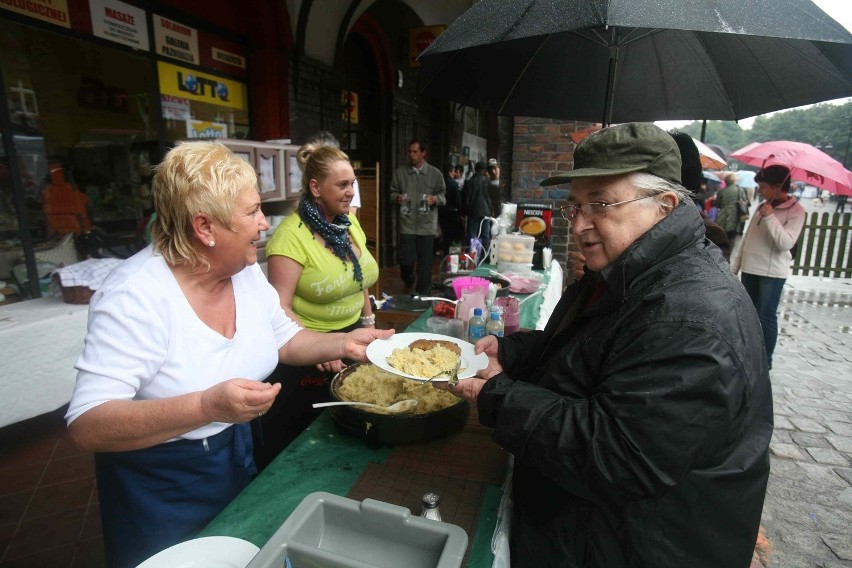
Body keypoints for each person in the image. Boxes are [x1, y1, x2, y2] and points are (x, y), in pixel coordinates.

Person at [438, 123, 772, 567]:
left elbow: (619, 456)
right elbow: (587, 356)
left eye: (601, 204)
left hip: (639, 545)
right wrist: (516, 354)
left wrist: (498, 396)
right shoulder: (625, 270)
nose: (580, 224)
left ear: (665, 206)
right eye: (576, 205)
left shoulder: (690, 317)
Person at [64, 141, 392, 568]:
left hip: (237, 450)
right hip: (163, 480)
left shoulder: (244, 272)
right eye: (253, 212)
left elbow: (286, 339)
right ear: (205, 228)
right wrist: (205, 406)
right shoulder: (135, 296)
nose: (263, 225)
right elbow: (88, 424)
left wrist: (345, 344)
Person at [262, 140, 379, 466]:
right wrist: (323, 345)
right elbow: (279, 307)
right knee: (311, 440)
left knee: (353, 423)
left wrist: (368, 324)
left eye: (352, 183)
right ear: (315, 187)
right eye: (342, 184)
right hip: (306, 352)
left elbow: (362, 281)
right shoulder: (290, 237)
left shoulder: (348, 223)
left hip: (352, 340)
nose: (351, 192)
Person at [731, 164, 806, 370]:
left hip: (771, 274)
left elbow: (785, 243)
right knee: (748, 316)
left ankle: (766, 361)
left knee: (765, 316)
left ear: (777, 186)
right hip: (750, 268)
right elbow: (749, 239)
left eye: (763, 187)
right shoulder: (762, 205)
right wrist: (736, 266)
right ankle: (747, 355)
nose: (760, 191)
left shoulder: (796, 211)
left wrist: (771, 217)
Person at [389, 139, 445, 294]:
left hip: (427, 226)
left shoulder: (435, 174)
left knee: (425, 265)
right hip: (407, 225)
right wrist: (397, 198)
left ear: (423, 153)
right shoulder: (400, 173)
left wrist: (435, 199)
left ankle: (422, 294)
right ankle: (409, 278)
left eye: (415, 151)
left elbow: (443, 196)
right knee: (406, 262)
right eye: (410, 151)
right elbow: (392, 193)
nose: (411, 155)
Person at [715, 172, 749, 249]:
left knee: (721, 235)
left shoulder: (722, 191)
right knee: (732, 237)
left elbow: (717, 204)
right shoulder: (740, 190)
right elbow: (745, 202)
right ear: (734, 181)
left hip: (722, 216)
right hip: (735, 216)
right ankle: (728, 254)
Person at [465, 160, 492, 255]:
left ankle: (475, 256)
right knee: (485, 235)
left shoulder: (470, 181)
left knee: (473, 235)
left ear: (476, 170)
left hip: (473, 212)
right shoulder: (488, 181)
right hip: (486, 212)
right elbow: (490, 197)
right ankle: (484, 257)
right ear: (484, 170)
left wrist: (467, 211)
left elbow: (467, 198)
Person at [439, 164, 466, 254]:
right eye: (453, 171)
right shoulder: (454, 184)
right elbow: (458, 201)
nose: (454, 174)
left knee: (445, 234)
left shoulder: (440, 183)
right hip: (452, 213)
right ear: (450, 172)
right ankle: (453, 253)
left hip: (442, 212)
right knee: (455, 234)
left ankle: (445, 253)